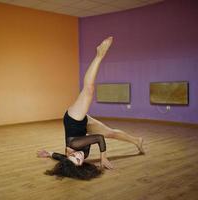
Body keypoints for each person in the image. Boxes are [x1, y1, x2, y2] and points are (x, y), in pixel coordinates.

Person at [37, 37, 144, 180]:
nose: (79, 156)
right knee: (111, 133)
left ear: (69, 155)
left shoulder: (74, 145)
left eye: (74, 156)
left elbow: (99, 139)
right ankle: (137, 141)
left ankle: (99, 54)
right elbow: (60, 157)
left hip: (73, 120)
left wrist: (103, 158)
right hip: (83, 126)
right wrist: (49, 153)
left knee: (88, 90)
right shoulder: (69, 160)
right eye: (80, 160)